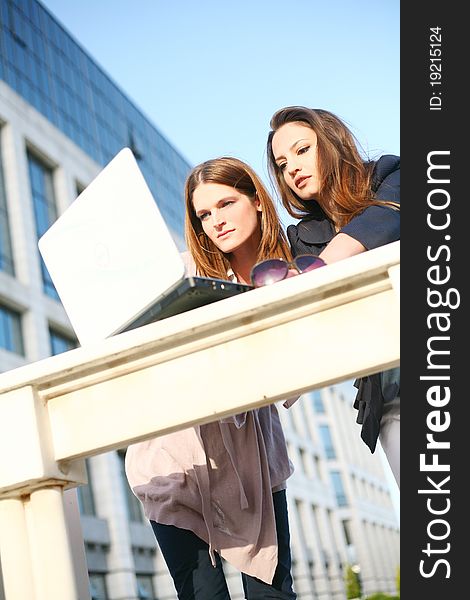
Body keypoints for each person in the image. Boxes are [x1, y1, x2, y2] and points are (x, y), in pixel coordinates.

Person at [125, 156, 297, 600]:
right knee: (202, 595)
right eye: (204, 214)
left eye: (226, 203)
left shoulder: (288, 272)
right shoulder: (178, 275)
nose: (216, 222)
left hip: (253, 462)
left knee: (272, 594)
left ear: (257, 201)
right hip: (174, 461)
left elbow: (296, 378)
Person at [266, 106, 400, 487]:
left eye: (302, 150)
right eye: (281, 163)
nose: (292, 167)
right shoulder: (302, 239)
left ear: (331, 142)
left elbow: (385, 219)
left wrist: (315, 272)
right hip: (389, 396)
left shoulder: (391, 174)